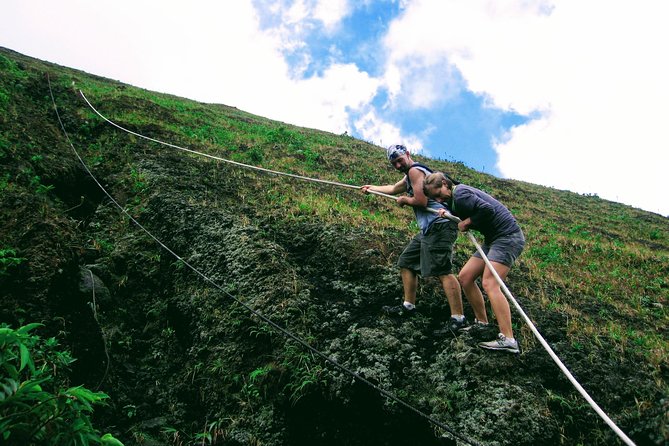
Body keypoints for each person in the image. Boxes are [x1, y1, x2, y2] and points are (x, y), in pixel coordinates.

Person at [361, 144, 468, 333]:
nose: (397, 165)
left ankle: (458, 319)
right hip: (429, 229)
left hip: (440, 226)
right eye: (394, 163)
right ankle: (408, 306)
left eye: (399, 160)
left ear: (408, 155)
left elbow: (421, 201)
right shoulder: (411, 174)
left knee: (443, 270)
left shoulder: (415, 171)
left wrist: (405, 200)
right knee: (407, 262)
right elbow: (394, 188)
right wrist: (371, 188)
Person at [422, 172, 525, 353]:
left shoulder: (460, 193)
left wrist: (467, 222)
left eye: (439, 194)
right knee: (465, 277)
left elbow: (487, 210)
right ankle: (482, 323)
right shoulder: (454, 200)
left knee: (490, 282)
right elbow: (468, 212)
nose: (439, 199)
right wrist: (448, 213)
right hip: (492, 239)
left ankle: (508, 339)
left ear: (446, 184)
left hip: (507, 237)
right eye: (434, 198)